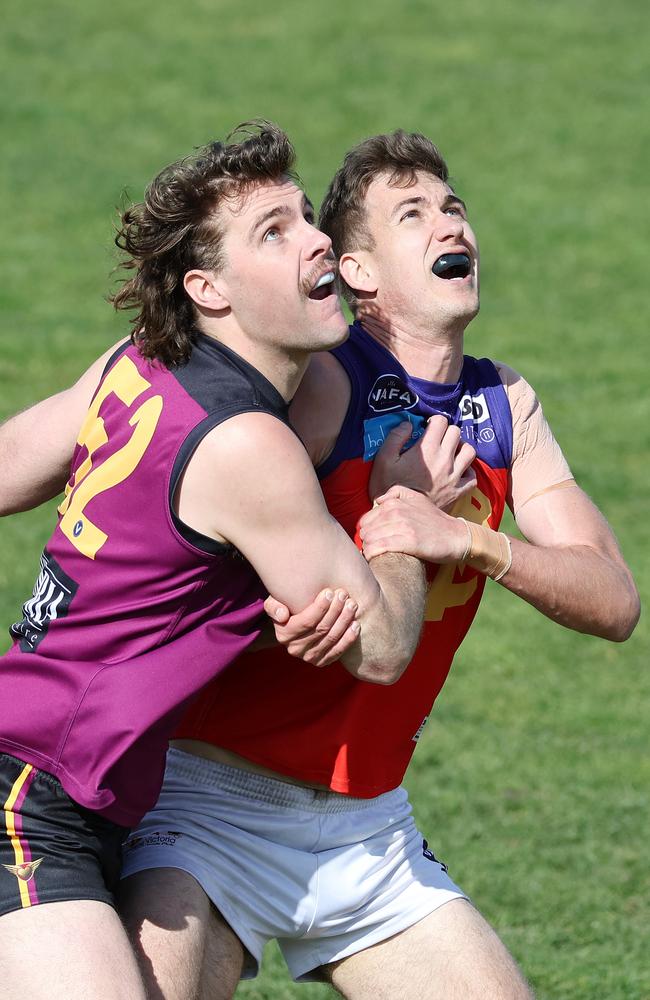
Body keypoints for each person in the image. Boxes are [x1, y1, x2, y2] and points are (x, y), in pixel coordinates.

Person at [115, 130, 638, 1000]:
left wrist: (471, 541)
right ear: (357, 272)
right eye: (414, 214)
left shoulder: (504, 404)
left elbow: (614, 598)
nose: (450, 227)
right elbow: (184, 537)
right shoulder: (316, 381)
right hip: (207, 806)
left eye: (454, 207)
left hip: (369, 830)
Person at [0, 124, 434, 1000]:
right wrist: (403, 517)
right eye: (272, 231)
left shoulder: (137, 364)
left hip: (89, 787)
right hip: (29, 796)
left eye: (307, 216)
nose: (316, 237)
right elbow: (382, 645)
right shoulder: (246, 445)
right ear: (209, 288)